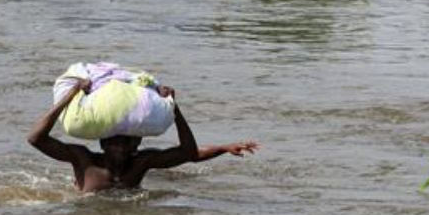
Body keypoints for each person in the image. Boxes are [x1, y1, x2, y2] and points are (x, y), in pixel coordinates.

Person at [27, 79, 258, 192]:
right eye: (114, 140)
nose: (120, 145)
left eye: (127, 140)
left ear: (137, 142)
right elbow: (35, 138)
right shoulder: (84, 159)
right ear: (103, 141)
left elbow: (188, 154)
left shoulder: (141, 162)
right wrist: (70, 96)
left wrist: (173, 107)